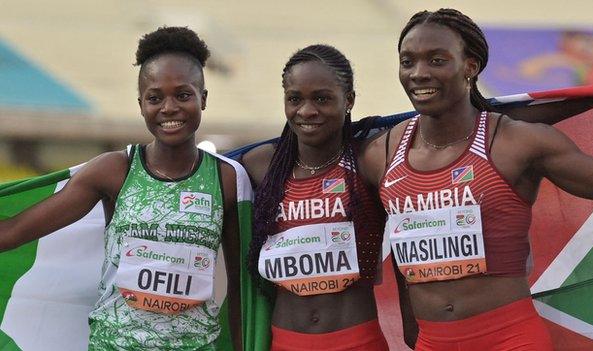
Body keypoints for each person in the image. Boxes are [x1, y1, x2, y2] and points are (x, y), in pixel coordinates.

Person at [360, 8, 593, 351]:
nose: (419, 73)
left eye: (437, 60)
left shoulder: (518, 143)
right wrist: (411, 322)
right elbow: (395, 236)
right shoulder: (380, 153)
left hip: (509, 339)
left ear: (470, 66)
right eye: (407, 61)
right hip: (431, 342)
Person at [0, 27, 242, 351]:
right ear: (141, 104)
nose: (168, 108)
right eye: (155, 98)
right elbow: (11, 233)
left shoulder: (225, 179)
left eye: (183, 95)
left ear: (203, 98)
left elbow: (242, 286)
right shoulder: (115, 170)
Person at [242, 44, 391, 351]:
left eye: (322, 99)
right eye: (295, 99)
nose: (307, 111)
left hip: (356, 340)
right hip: (286, 341)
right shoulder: (260, 165)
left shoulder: (368, 161)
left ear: (348, 100)